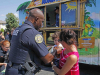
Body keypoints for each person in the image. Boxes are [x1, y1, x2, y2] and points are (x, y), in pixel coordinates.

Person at [5, 8, 62, 75]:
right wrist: (56, 51)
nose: (42, 25)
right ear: (36, 19)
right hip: (21, 71)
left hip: (10, 69)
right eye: (42, 22)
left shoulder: (18, 29)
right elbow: (47, 59)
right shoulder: (33, 33)